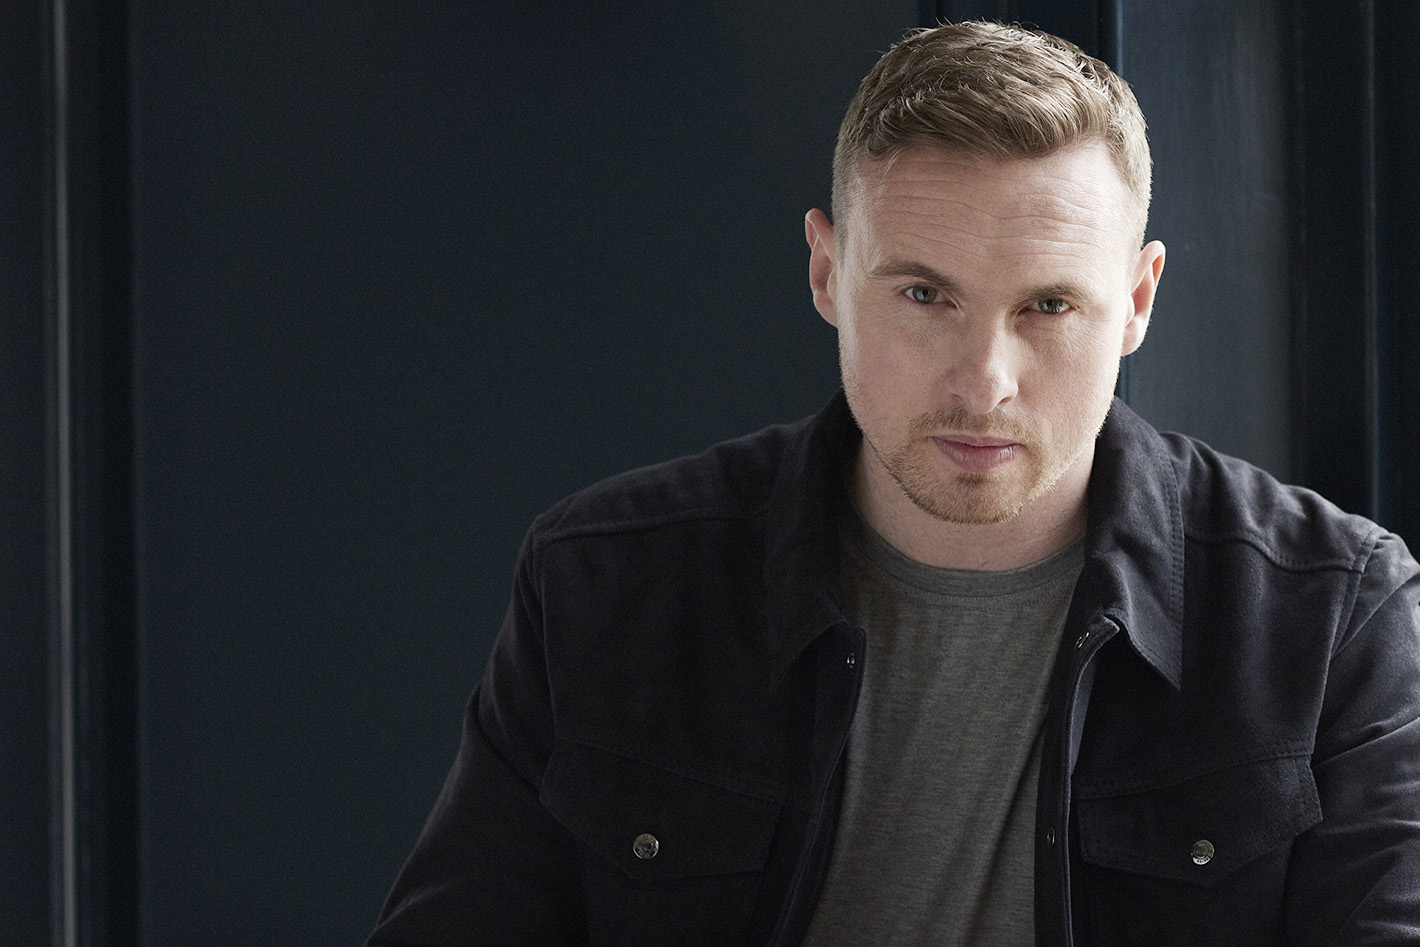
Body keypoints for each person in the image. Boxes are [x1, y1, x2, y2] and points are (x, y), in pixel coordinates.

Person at [367, 20, 1420, 946]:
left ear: (1137, 299)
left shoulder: (1331, 610)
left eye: (1049, 306)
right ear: (826, 272)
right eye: (924, 293)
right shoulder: (609, 579)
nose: (984, 382)